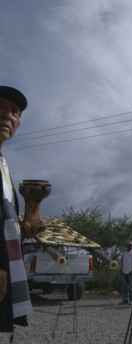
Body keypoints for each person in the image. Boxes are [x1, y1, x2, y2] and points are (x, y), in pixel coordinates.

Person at [0, 86, 46, 337]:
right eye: (0, 109)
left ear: (18, 123)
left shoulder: (3, 166)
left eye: (14, 112)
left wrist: (23, 233)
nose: (7, 115)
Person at [118, 240, 132, 305]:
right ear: (126, 245)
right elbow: (121, 261)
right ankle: (125, 299)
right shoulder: (124, 253)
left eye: (130, 245)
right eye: (128, 244)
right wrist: (121, 268)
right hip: (124, 271)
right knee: (124, 286)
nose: (129, 246)